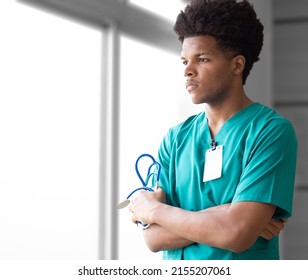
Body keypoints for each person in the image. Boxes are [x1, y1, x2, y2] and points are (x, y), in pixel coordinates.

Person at [129, 0, 298, 260]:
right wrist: (226, 217)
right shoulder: (175, 139)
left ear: (237, 65)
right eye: (184, 60)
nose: (187, 70)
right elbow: (154, 238)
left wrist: (153, 211)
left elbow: (235, 234)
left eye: (202, 59)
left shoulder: (271, 132)